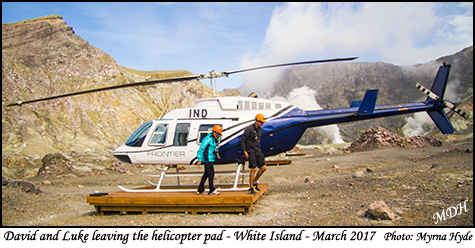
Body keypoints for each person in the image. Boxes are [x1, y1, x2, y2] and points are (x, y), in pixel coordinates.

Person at [240, 113, 267, 194]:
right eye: (261, 122)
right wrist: (244, 151)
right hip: (250, 151)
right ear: (257, 121)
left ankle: (255, 181)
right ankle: (251, 187)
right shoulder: (249, 129)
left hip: (257, 150)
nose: (262, 124)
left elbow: (257, 140)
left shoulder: (260, 130)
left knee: (264, 167)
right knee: (254, 168)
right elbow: (242, 140)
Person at [197, 125, 222, 195]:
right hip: (208, 159)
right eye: (218, 134)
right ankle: (211, 189)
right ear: (214, 132)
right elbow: (201, 149)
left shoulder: (213, 139)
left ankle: (200, 189)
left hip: (211, 158)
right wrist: (199, 159)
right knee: (211, 174)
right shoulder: (208, 139)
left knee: (206, 174)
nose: (218, 136)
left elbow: (212, 148)